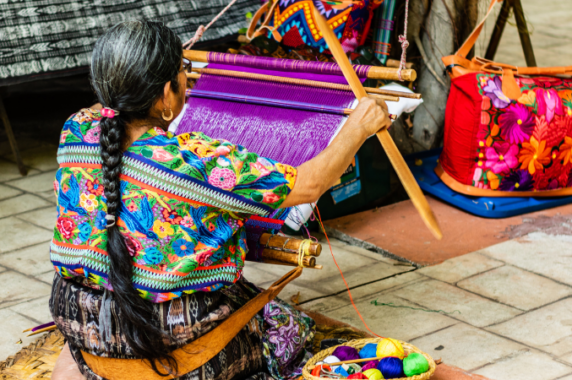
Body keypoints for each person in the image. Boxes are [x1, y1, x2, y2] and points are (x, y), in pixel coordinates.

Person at [50, 20, 391, 380]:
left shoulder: (76, 131)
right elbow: (309, 184)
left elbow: (115, 103)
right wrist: (360, 124)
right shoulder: (200, 161)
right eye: (183, 72)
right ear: (166, 96)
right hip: (174, 341)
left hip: (85, 327)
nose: (188, 78)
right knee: (291, 330)